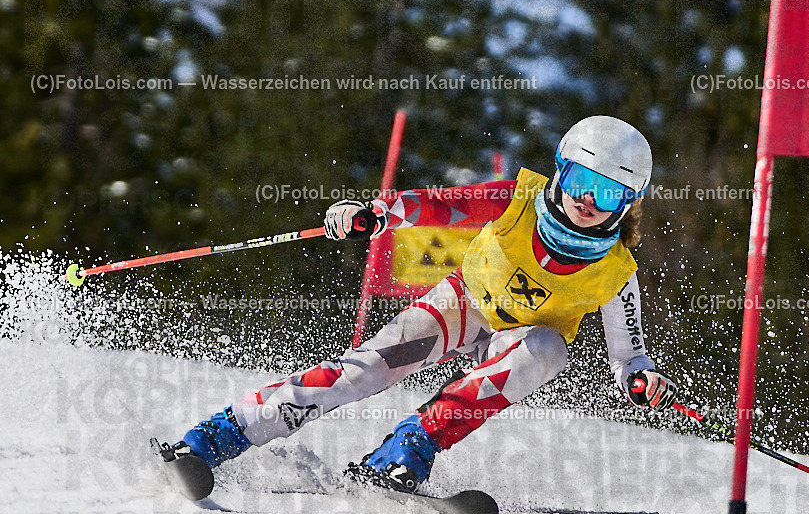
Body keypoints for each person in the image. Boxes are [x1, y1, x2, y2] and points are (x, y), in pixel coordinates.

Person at [176, 116, 680, 493]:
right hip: (464, 305)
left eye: (607, 193)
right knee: (365, 371)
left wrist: (642, 380)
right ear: (560, 172)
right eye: (580, 182)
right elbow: (444, 204)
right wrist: (379, 213)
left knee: (549, 350)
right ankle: (222, 434)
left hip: (514, 343)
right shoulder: (520, 200)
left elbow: (630, 358)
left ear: (628, 202)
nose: (588, 200)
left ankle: (410, 445)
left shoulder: (616, 273)